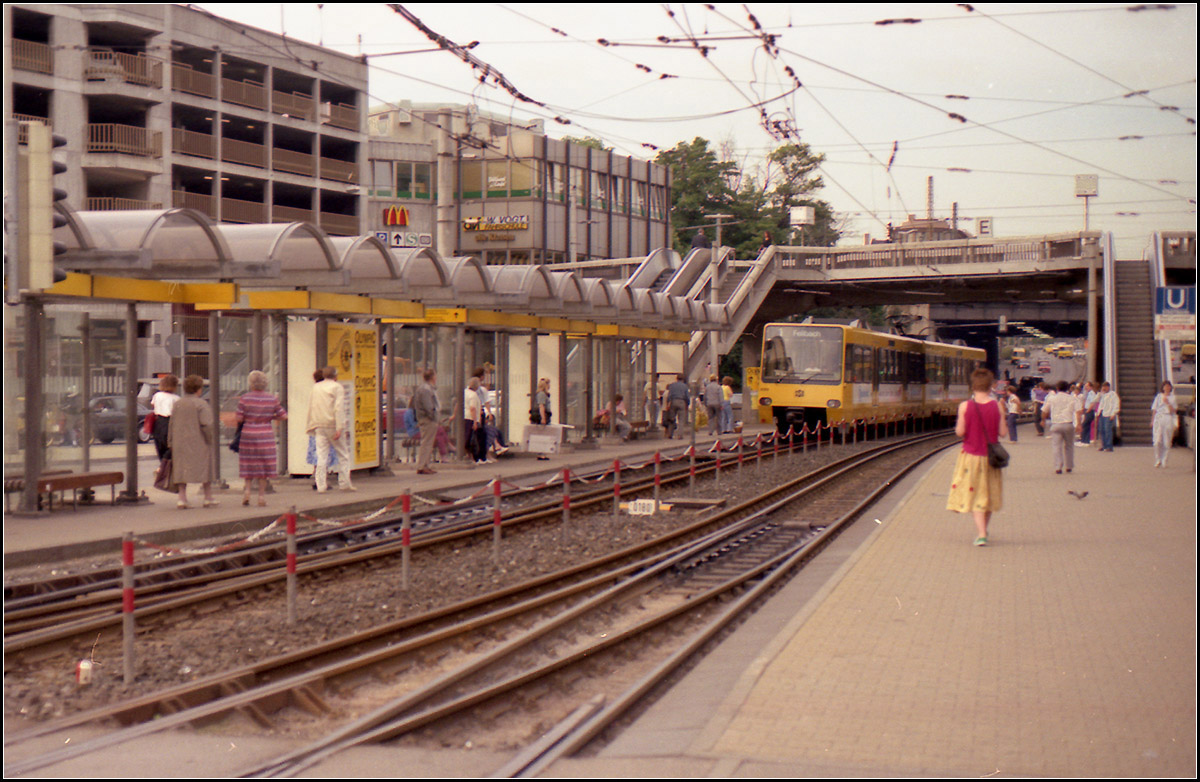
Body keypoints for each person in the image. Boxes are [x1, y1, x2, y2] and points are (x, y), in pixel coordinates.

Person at [946, 367, 1008, 547]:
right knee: (987, 495)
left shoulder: (965, 406)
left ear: (973, 386)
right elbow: (1003, 432)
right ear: (991, 386)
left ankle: (981, 534)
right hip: (991, 459)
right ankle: (983, 531)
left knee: (976, 496)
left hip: (970, 457)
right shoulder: (997, 406)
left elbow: (960, 432)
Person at [236, 370, 287, 507]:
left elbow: (239, 418)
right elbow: (283, 416)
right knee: (264, 465)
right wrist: (270, 418)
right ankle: (261, 496)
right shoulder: (272, 399)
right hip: (265, 434)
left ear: (251, 383)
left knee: (248, 463)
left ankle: (247, 491)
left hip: (248, 433)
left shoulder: (244, 398)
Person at [168, 374, 216, 509]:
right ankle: (208, 497)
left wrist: (170, 441)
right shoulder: (201, 404)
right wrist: (209, 439)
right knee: (205, 467)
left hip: (179, 443)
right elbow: (207, 424)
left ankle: (182, 498)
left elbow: (171, 424)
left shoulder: (178, 404)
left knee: (181, 470)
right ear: (198, 389)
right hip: (198, 441)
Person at [306, 366, 355, 493]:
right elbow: (338, 408)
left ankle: (321, 484)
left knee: (321, 455)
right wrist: (340, 427)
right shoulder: (337, 387)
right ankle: (344, 483)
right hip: (332, 424)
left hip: (319, 425)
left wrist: (311, 425)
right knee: (343, 454)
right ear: (335, 375)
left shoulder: (316, 387)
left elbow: (312, 405)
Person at [1043, 380, 1082, 474]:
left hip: (1056, 424)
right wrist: (1079, 424)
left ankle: (1058, 466)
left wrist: (1043, 420)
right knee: (1069, 446)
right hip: (1068, 424)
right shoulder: (1073, 399)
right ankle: (1069, 466)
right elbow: (1078, 412)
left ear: (1057, 388)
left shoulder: (1052, 398)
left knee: (1056, 446)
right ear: (1068, 388)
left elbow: (1044, 410)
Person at [412, 368, 441, 474]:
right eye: (435, 375)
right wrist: (433, 416)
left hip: (429, 419)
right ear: (432, 377)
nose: (436, 378)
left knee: (428, 443)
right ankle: (422, 465)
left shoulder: (428, 388)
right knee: (426, 443)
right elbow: (428, 406)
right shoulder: (425, 389)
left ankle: (426, 465)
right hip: (428, 419)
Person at [149, 374, 180, 460]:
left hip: (158, 422)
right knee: (170, 449)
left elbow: (153, 405)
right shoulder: (176, 398)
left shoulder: (157, 395)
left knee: (160, 447)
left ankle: (162, 465)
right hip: (170, 422)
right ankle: (164, 468)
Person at [1150, 381, 1178, 468]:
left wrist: (1167, 403)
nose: (1167, 388)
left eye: (1168, 386)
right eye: (1165, 386)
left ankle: (1164, 459)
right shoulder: (1158, 397)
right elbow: (1154, 409)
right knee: (1157, 440)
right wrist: (1152, 420)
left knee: (1167, 441)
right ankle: (1158, 459)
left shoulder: (1173, 398)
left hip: (1168, 417)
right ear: (1163, 388)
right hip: (1159, 417)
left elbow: (1174, 411)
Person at [463, 377, 487, 464]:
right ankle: (475, 457)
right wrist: (475, 421)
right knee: (473, 439)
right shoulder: (473, 395)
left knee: (466, 438)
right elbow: (473, 408)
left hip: (464, 417)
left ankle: (469, 456)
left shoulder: (464, 392)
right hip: (470, 418)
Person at [1095, 381, 1120, 452]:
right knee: (1101, 430)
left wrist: (1113, 413)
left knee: (1107, 430)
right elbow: (1096, 400)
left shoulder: (1113, 394)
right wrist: (1099, 393)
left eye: (1105, 387)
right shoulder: (1102, 395)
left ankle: (1109, 446)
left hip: (1108, 413)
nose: (1104, 389)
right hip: (1101, 413)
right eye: (1103, 387)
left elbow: (1116, 404)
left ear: (1108, 387)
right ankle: (1104, 445)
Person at [532, 378, 552, 460]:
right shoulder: (541, 394)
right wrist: (543, 418)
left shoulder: (543, 394)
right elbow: (541, 406)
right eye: (548, 384)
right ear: (545, 385)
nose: (550, 386)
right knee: (542, 434)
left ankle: (542, 453)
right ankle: (541, 453)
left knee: (543, 434)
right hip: (542, 416)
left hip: (544, 415)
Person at [663, 374, 690, 439]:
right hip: (681, 402)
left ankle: (670, 434)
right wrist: (687, 404)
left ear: (676, 378)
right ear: (683, 379)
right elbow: (687, 396)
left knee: (672, 419)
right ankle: (680, 435)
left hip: (673, 401)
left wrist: (668, 403)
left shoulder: (672, 385)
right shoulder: (685, 386)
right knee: (681, 419)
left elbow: (669, 395)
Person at [1079, 381, 1099, 445]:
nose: (1086, 387)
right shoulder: (1088, 393)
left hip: (1089, 410)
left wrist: (1088, 410)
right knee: (1086, 425)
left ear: (1090, 387)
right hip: (1086, 409)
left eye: (1087, 386)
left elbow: (1092, 403)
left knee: (1085, 425)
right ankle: (1084, 440)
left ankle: (1085, 441)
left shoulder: (1092, 393)